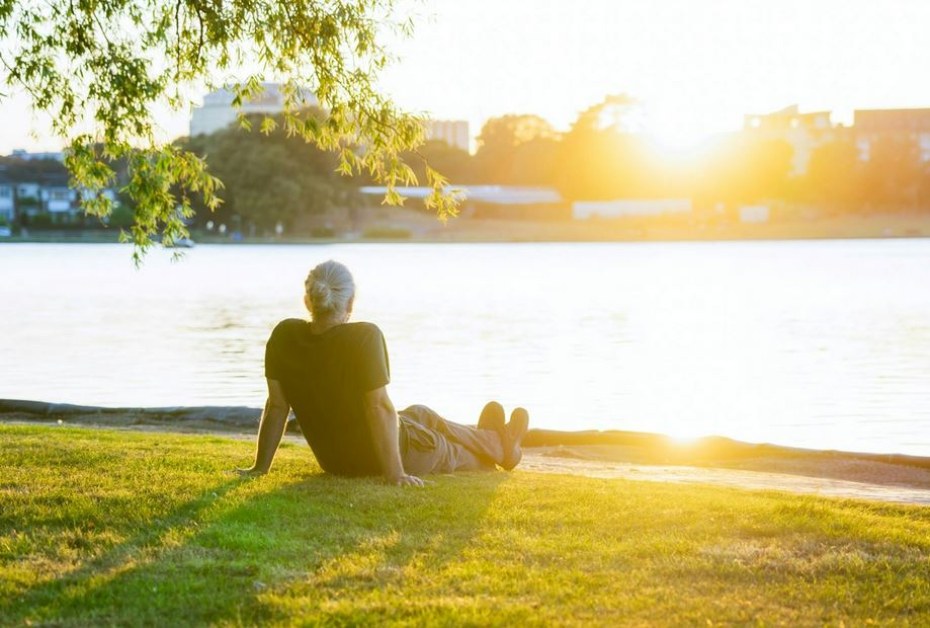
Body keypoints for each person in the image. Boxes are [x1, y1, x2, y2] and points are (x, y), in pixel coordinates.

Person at [240, 260, 530, 486]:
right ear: (350, 304)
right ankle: (502, 448)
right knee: (446, 450)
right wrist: (395, 475)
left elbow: (277, 406)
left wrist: (260, 468)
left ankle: (491, 437)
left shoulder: (284, 335)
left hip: (333, 460)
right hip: (382, 458)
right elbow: (377, 406)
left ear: (308, 302)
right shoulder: (364, 336)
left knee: (422, 413)